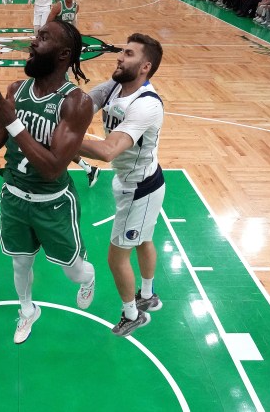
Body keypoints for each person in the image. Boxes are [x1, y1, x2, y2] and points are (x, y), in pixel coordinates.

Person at [0, 20, 96, 344]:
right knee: (20, 264)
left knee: (73, 271)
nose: (32, 42)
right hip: (14, 197)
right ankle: (27, 311)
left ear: (64, 54)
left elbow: (54, 167)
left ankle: (88, 277)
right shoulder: (15, 90)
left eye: (43, 37)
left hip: (52, 203)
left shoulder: (76, 102)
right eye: (35, 36)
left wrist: (13, 122)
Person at [78, 33, 165, 337]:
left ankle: (132, 314)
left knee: (116, 257)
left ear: (145, 66)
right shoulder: (114, 86)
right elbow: (82, 106)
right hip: (140, 181)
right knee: (143, 240)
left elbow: (107, 151)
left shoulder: (146, 105)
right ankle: (147, 295)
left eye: (129, 54)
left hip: (140, 189)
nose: (119, 57)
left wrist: (63, 140)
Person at [46, 0, 99, 187]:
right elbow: (48, 24)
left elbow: (74, 24)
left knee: (57, 144)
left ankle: (86, 168)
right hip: (58, 104)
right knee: (55, 143)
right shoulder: (58, 7)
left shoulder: (60, 70)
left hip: (60, 109)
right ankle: (88, 168)